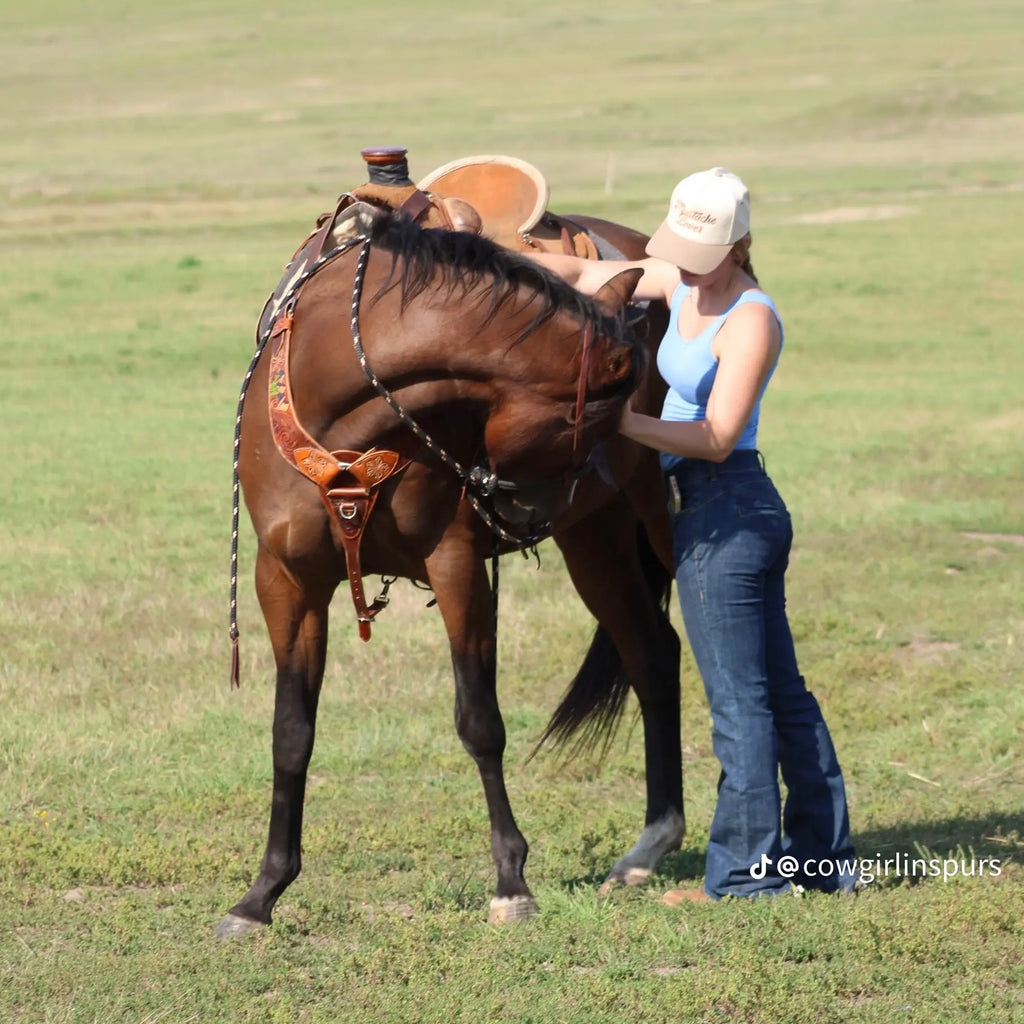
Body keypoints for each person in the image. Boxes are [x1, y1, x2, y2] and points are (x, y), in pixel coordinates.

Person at [531, 168, 856, 901]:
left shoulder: (750, 318)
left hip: (725, 507)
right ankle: (822, 862)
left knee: (743, 704)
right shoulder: (680, 281)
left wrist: (614, 422)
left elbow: (715, 434)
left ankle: (744, 880)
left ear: (741, 246)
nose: (687, 262)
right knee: (780, 693)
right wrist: (482, 254)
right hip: (711, 509)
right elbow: (583, 269)